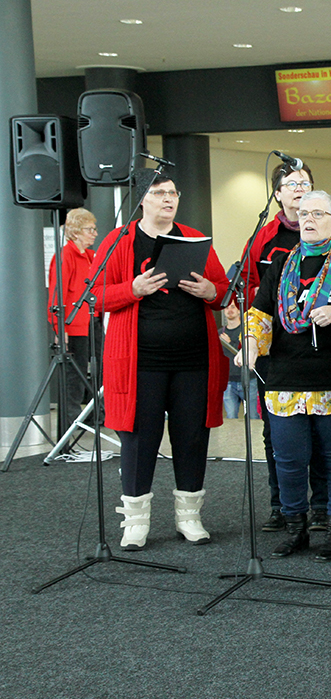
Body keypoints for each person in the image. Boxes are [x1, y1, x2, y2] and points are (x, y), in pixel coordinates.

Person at [90, 174, 229, 550]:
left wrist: (211, 291)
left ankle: (190, 517)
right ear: (142, 200)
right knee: (138, 439)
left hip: (193, 358)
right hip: (140, 362)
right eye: (159, 193)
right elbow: (93, 296)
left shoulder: (193, 237)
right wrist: (130, 290)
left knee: (192, 437)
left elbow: (223, 292)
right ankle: (135, 523)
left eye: (173, 192)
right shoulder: (120, 241)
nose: (168, 199)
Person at [240, 189, 331, 562]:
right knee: (288, 457)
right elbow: (260, 313)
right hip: (285, 375)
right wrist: (250, 346)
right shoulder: (282, 263)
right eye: (303, 213)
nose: (308, 219)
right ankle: (295, 527)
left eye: (317, 213)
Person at [243, 161, 329, 533]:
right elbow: (247, 288)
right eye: (291, 184)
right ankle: (283, 505)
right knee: (274, 433)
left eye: (305, 183)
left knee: (320, 432)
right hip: (275, 352)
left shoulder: (324, 231)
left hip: (318, 349)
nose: (298, 189)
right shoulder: (263, 239)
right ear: (277, 193)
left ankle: (324, 506)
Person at [47, 207, 100, 427]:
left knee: (102, 371)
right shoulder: (64, 256)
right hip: (74, 325)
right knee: (74, 378)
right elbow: (56, 296)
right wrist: (61, 330)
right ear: (76, 231)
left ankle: (97, 416)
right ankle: (70, 424)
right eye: (90, 229)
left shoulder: (90, 257)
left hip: (93, 322)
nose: (95, 234)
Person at [219, 301, 259, 419]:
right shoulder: (219, 333)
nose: (229, 310)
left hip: (249, 380)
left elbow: (248, 349)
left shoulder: (248, 332)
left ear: (239, 310)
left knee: (253, 417)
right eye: (226, 308)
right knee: (230, 418)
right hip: (228, 382)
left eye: (233, 307)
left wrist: (230, 343)